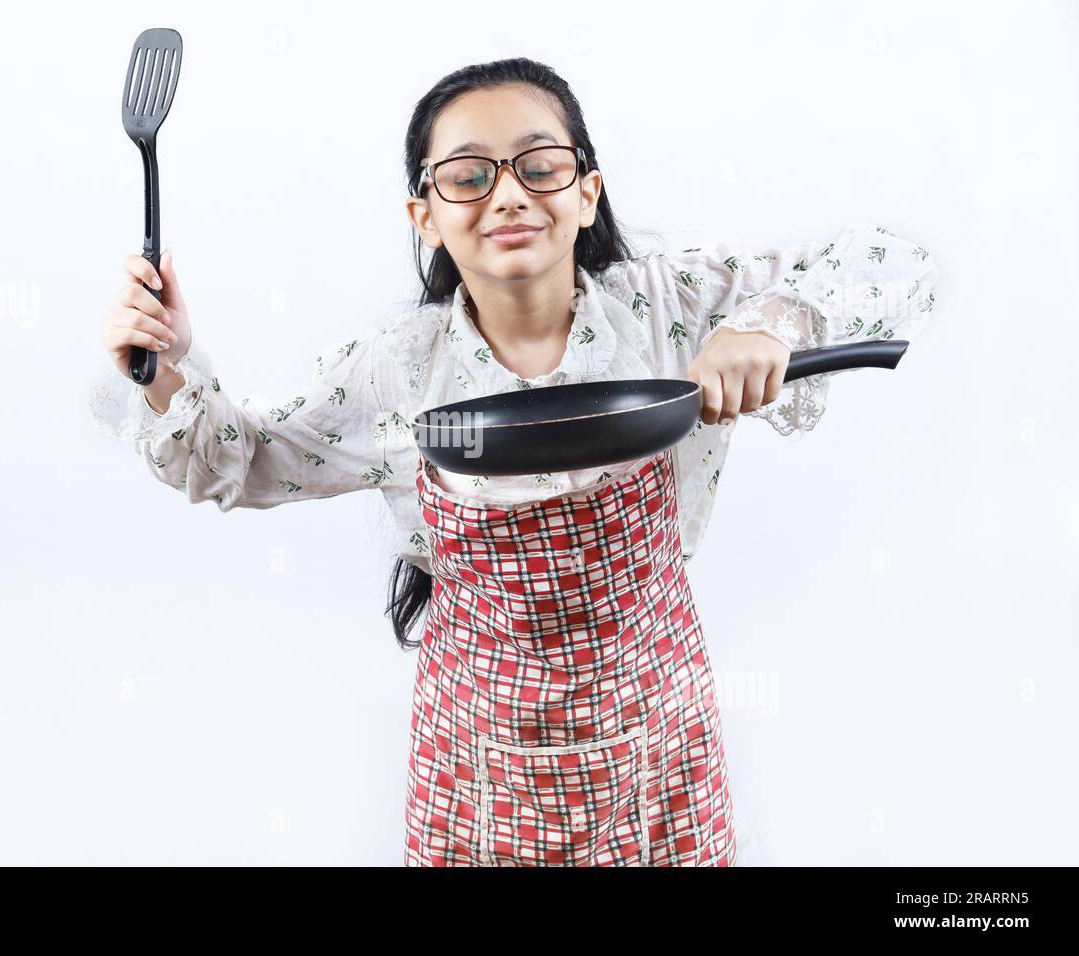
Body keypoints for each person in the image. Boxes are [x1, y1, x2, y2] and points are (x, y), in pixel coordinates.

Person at [89, 57, 939, 866]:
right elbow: (246, 461)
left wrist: (771, 321)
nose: (508, 195)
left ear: (586, 190)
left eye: (540, 166)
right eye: (467, 175)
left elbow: (898, 261)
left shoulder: (670, 311)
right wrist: (165, 365)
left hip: (662, 751)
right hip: (479, 769)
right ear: (423, 213)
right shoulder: (397, 371)